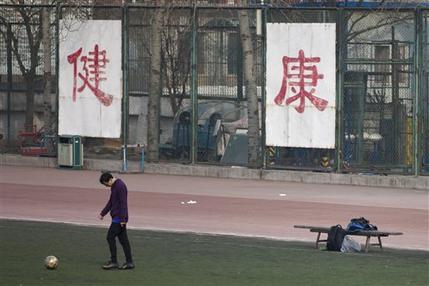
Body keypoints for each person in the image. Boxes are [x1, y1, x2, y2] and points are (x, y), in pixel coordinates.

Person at [99, 172, 134, 270]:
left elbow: (123, 203)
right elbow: (111, 202)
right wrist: (103, 213)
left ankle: (114, 262)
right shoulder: (115, 186)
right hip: (119, 218)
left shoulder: (120, 186)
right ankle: (129, 262)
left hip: (119, 219)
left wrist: (123, 219)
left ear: (110, 180)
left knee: (110, 237)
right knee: (124, 241)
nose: (106, 186)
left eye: (106, 184)